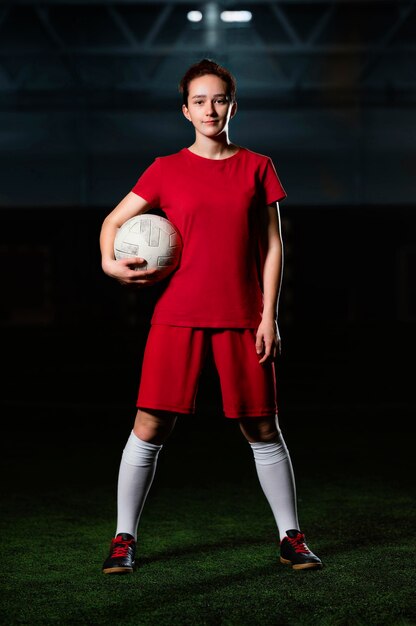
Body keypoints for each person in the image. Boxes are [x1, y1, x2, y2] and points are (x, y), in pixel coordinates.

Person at [100, 58, 322, 574]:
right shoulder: (165, 168)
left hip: (243, 315)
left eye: (219, 99)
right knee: (150, 424)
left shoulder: (258, 166)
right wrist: (111, 264)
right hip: (177, 314)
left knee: (262, 426)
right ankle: (123, 538)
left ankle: (291, 536)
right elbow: (113, 221)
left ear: (232, 105)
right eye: (199, 100)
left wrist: (269, 315)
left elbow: (273, 248)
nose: (210, 109)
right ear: (185, 110)